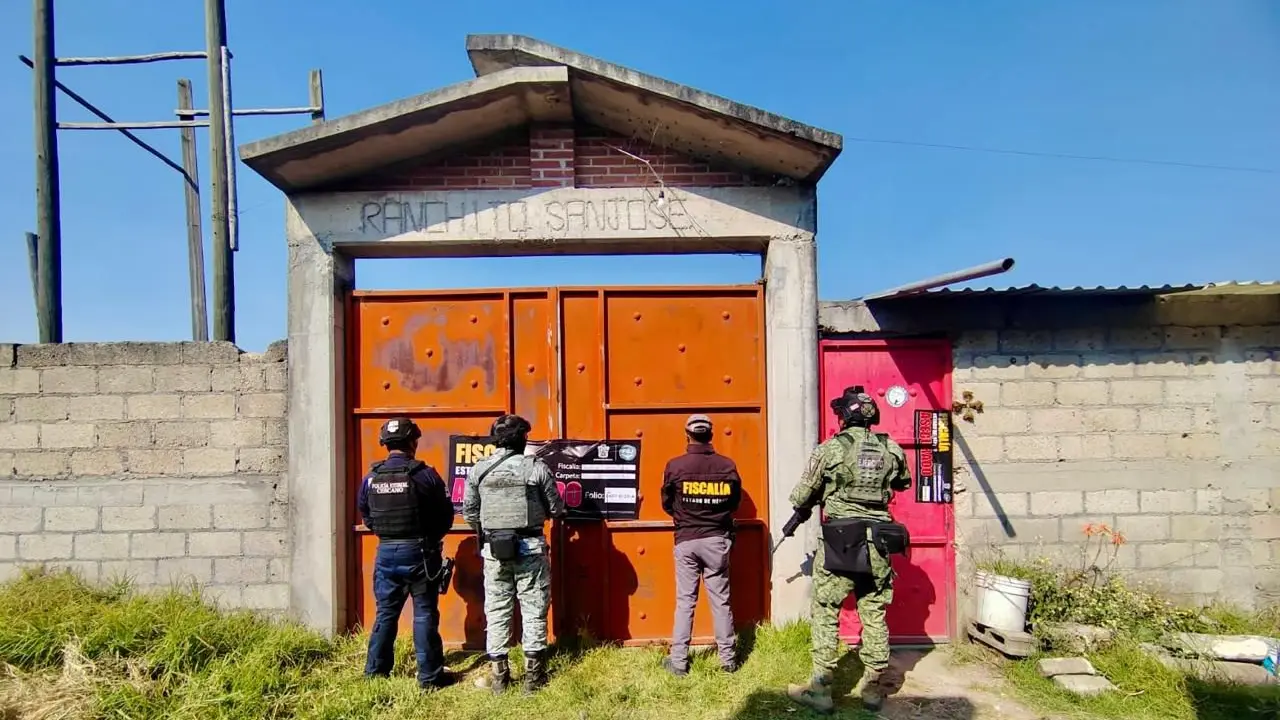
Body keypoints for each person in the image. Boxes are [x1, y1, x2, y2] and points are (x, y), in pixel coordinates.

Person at [785, 386, 913, 713]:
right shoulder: (891, 447)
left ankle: (821, 690)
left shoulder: (830, 449)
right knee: (874, 613)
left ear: (843, 416)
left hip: (842, 540)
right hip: (879, 542)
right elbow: (902, 483)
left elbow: (801, 496)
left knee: (827, 610)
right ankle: (872, 690)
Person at [462, 413, 566, 694]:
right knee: (534, 610)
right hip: (531, 549)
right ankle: (533, 678)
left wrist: (492, 532)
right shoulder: (536, 468)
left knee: (496, 611)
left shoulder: (479, 470)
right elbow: (556, 508)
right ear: (522, 439)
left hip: (494, 552)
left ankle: (499, 678)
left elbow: (469, 513)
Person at [357, 417, 457, 690]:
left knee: (385, 614)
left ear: (385, 444)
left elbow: (366, 514)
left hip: (387, 552)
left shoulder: (371, 477)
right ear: (413, 442)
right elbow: (446, 515)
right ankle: (430, 677)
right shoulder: (425, 475)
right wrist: (430, 539)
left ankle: (375, 675)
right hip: (421, 552)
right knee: (424, 613)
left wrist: (387, 535)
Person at [660, 413, 743, 676]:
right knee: (721, 602)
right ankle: (728, 661)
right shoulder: (727, 465)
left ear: (688, 435)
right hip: (717, 540)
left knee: (685, 602)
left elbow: (667, 503)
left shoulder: (675, 466)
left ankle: (679, 662)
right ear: (711, 435)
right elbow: (734, 503)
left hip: (686, 540)